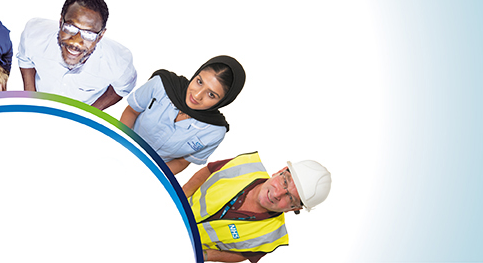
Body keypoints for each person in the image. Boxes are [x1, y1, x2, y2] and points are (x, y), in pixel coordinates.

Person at [180, 152, 332, 262]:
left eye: (290, 198)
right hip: (172, 212)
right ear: (280, 171)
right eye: (285, 182)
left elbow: (243, 255)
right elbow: (210, 170)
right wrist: (181, 194)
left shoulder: (271, 237)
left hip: (183, 248)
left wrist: (206, 256)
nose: (277, 194)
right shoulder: (246, 165)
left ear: (292, 209)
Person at [120, 56, 246, 175]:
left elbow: (181, 161)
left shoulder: (214, 131)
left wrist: (150, 175)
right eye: (199, 82)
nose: (197, 95)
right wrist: (120, 144)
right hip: (124, 145)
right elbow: (132, 111)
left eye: (211, 95)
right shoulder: (162, 84)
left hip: (154, 170)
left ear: (224, 101)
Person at [16, 0, 137, 109]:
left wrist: (89, 114)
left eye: (89, 34)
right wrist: (31, 100)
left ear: (100, 36)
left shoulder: (119, 63)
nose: (75, 41)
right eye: (70, 27)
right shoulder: (34, 34)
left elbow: (122, 89)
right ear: (60, 22)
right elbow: (25, 58)